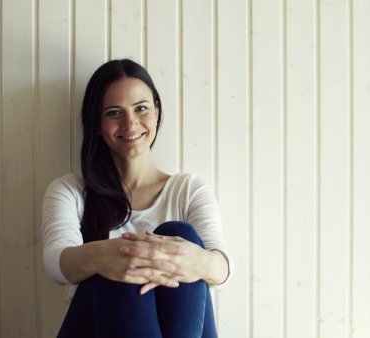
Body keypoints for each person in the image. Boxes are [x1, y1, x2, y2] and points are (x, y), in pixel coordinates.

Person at [41, 59, 232, 337]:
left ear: (156, 111)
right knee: (118, 267)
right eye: (114, 112)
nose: (130, 123)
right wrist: (111, 255)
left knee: (180, 236)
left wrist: (190, 259)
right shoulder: (69, 191)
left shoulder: (189, 190)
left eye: (140, 108)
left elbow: (221, 268)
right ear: (96, 122)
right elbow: (56, 264)